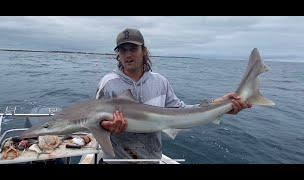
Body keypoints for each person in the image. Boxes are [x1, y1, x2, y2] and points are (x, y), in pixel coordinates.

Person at [95, 28, 252, 164]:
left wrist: (218, 104)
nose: (128, 54)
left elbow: (182, 111)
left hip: (152, 159)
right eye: (123, 50)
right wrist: (105, 126)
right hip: (116, 160)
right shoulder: (108, 83)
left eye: (133, 48)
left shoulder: (160, 82)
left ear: (143, 51)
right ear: (118, 54)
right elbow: (95, 120)